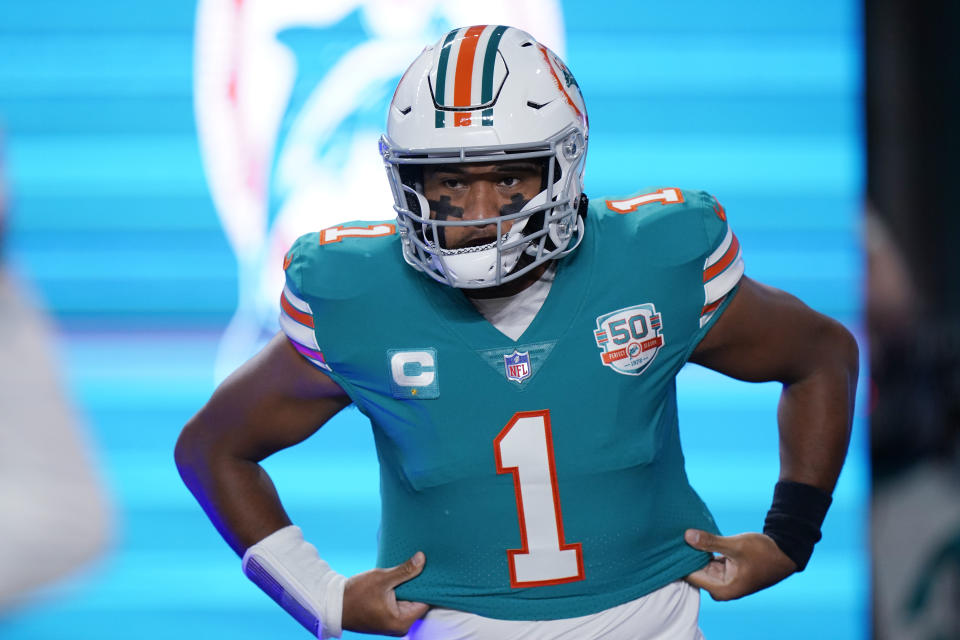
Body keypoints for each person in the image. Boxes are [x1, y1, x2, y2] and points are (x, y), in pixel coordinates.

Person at [176, 25, 859, 639]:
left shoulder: (654, 262)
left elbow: (823, 355)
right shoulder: (359, 294)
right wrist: (318, 598)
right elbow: (212, 448)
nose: (478, 211)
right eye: (447, 181)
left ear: (563, 164)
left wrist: (792, 534)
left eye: (507, 177)